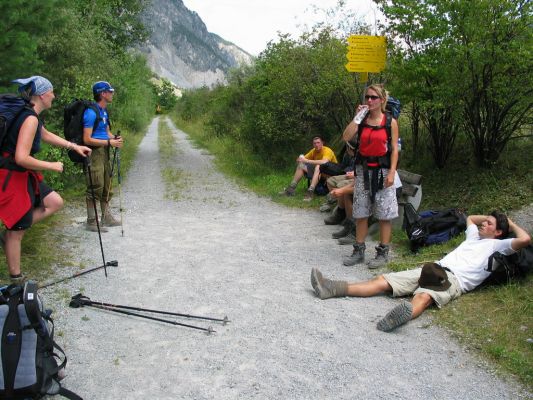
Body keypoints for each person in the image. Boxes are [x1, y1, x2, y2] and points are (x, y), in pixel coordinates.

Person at [310, 212, 531, 332]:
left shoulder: (498, 245)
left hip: (454, 280)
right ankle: (332, 287)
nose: (484, 225)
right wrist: (489, 217)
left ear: (499, 232)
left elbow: (525, 239)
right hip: (433, 267)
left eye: (489, 224)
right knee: (383, 279)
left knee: (424, 296)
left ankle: (398, 318)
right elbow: (471, 218)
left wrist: (510, 223)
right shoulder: (473, 236)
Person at [0, 76, 91, 283]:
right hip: (12, 178)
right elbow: (21, 158)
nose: (54, 96)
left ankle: (10, 233)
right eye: (51, 91)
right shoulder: (29, 118)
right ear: (42, 94)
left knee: (54, 202)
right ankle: (16, 277)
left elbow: (45, 134)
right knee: (17, 230)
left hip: (21, 176)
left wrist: (74, 146)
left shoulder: (31, 115)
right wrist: (52, 165)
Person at [342, 84, 399, 269]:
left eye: (374, 97)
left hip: (383, 172)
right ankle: (358, 251)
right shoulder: (362, 120)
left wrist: (391, 172)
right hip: (364, 172)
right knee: (361, 213)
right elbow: (346, 137)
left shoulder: (390, 122)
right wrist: (357, 117)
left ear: (382, 100)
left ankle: (383, 253)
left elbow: (394, 152)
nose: (369, 100)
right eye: (367, 97)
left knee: (384, 215)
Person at [83, 81, 123, 232]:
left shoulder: (104, 111)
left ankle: (106, 217)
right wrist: (109, 142)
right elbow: (86, 139)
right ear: (102, 93)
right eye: (110, 91)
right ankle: (91, 221)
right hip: (94, 152)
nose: (112, 93)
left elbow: (106, 132)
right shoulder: (91, 112)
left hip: (104, 150)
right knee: (95, 185)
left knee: (107, 184)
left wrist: (115, 139)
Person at [280, 136, 337, 201]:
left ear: (322, 143)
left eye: (318, 142)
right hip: (318, 172)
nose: (316, 145)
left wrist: (307, 161)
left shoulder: (327, 150)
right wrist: (300, 159)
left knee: (318, 166)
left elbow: (324, 162)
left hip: (330, 174)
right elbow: (304, 159)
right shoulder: (313, 151)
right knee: (301, 165)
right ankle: (291, 189)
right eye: (314, 143)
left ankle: (310, 191)